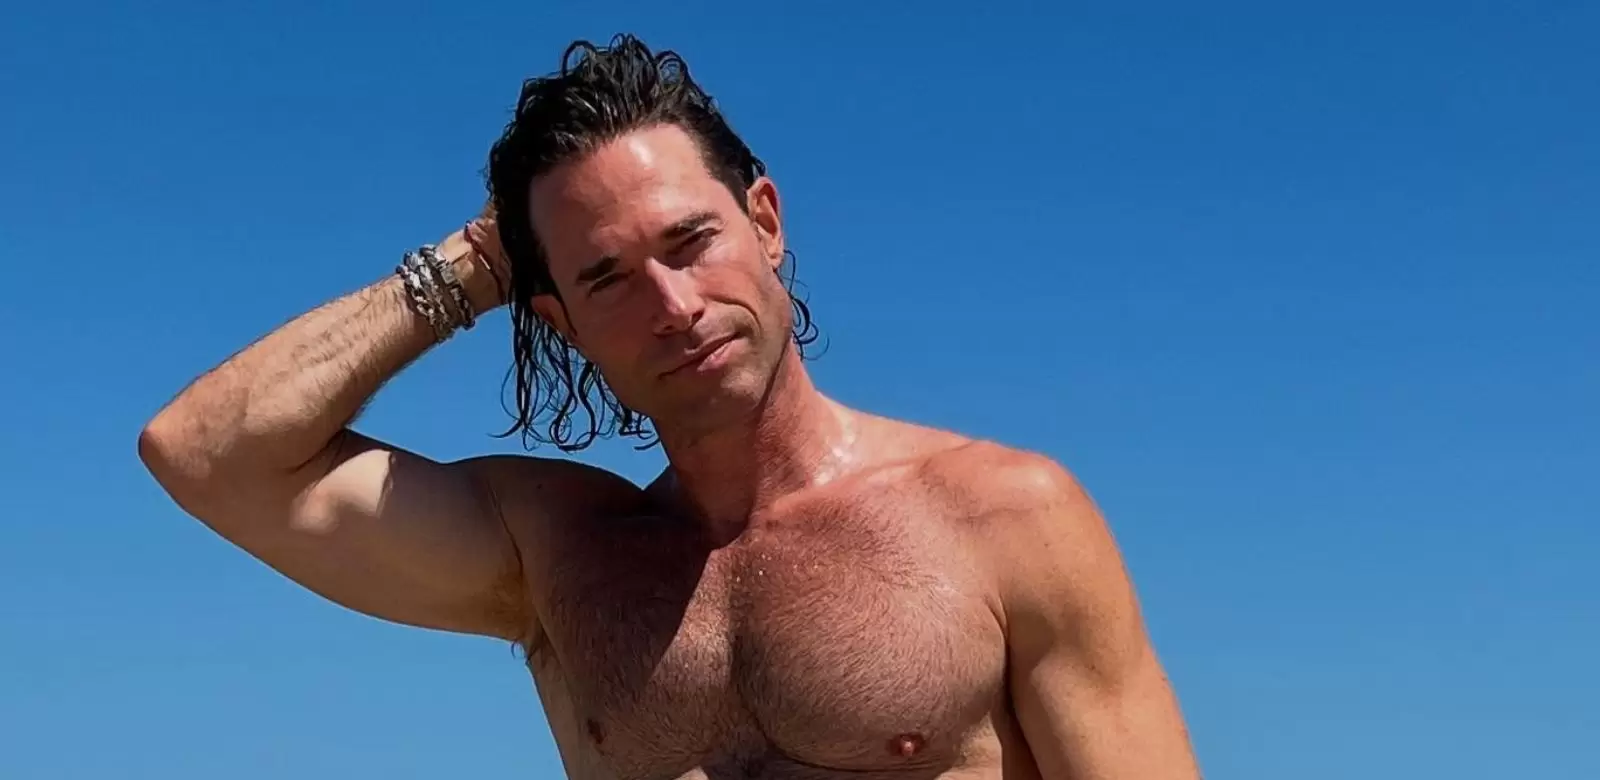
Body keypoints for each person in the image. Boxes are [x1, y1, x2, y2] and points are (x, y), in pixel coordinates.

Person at [138, 34, 1200, 780]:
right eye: (605, 278)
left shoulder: (1005, 518)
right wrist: (477, 262)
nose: (674, 306)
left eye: (690, 241)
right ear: (558, 321)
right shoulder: (559, 558)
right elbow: (204, 453)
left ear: (766, 222)